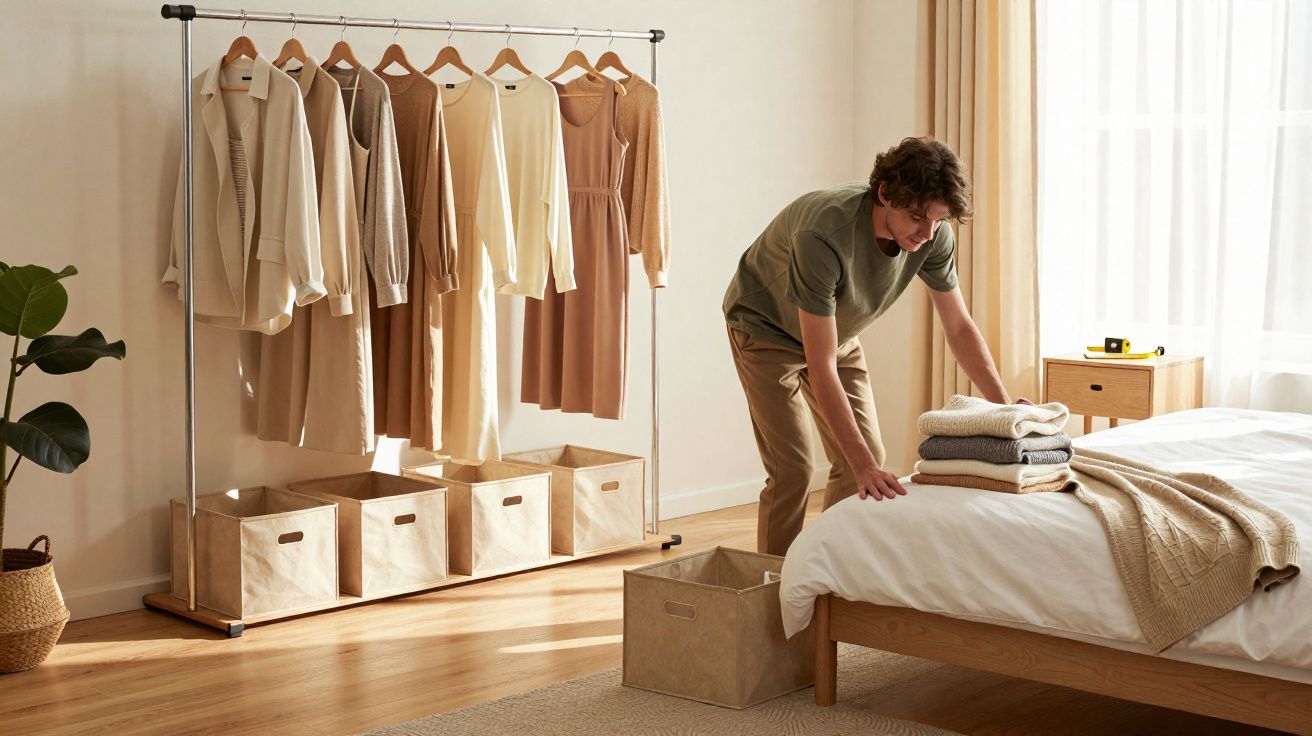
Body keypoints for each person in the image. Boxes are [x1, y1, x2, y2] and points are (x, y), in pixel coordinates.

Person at [722, 136, 1028, 556]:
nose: (928, 233)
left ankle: (820, 566)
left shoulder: (933, 236)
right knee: (793, 468)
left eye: (939, 221)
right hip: (766, 330)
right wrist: (863, 464)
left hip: (836, 334)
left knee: (864, 458)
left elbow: (958, 327)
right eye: (918, 218)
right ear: (884, 193)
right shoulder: (822, 233)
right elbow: (820, 363)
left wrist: (1004, 408)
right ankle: (774, 586)